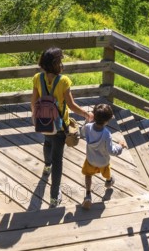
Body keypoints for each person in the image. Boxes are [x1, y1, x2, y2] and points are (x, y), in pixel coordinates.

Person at [31, 47, 93, 208]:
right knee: (58, 159)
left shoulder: (37, 78)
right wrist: (86, 114)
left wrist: (34, 117)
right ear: (55, 63)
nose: (62, 63)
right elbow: (71, 106)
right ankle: (53, 196)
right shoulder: (64, 81)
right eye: (60, 60)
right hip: (59, 126)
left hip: (43, 122)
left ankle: (46, 166)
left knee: (47, 143)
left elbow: (33, 101)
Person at [80, 103, 126, 209]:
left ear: (94, 116)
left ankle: (88, 195)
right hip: (103, 162)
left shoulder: (87, 127)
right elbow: (111, 151)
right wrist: (120, 146)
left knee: (88, 175)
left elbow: (82, 133)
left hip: (90, 160)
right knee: (106, 174)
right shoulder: (106, 134)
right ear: (107, 121)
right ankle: (109, 181)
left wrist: (87, 121)